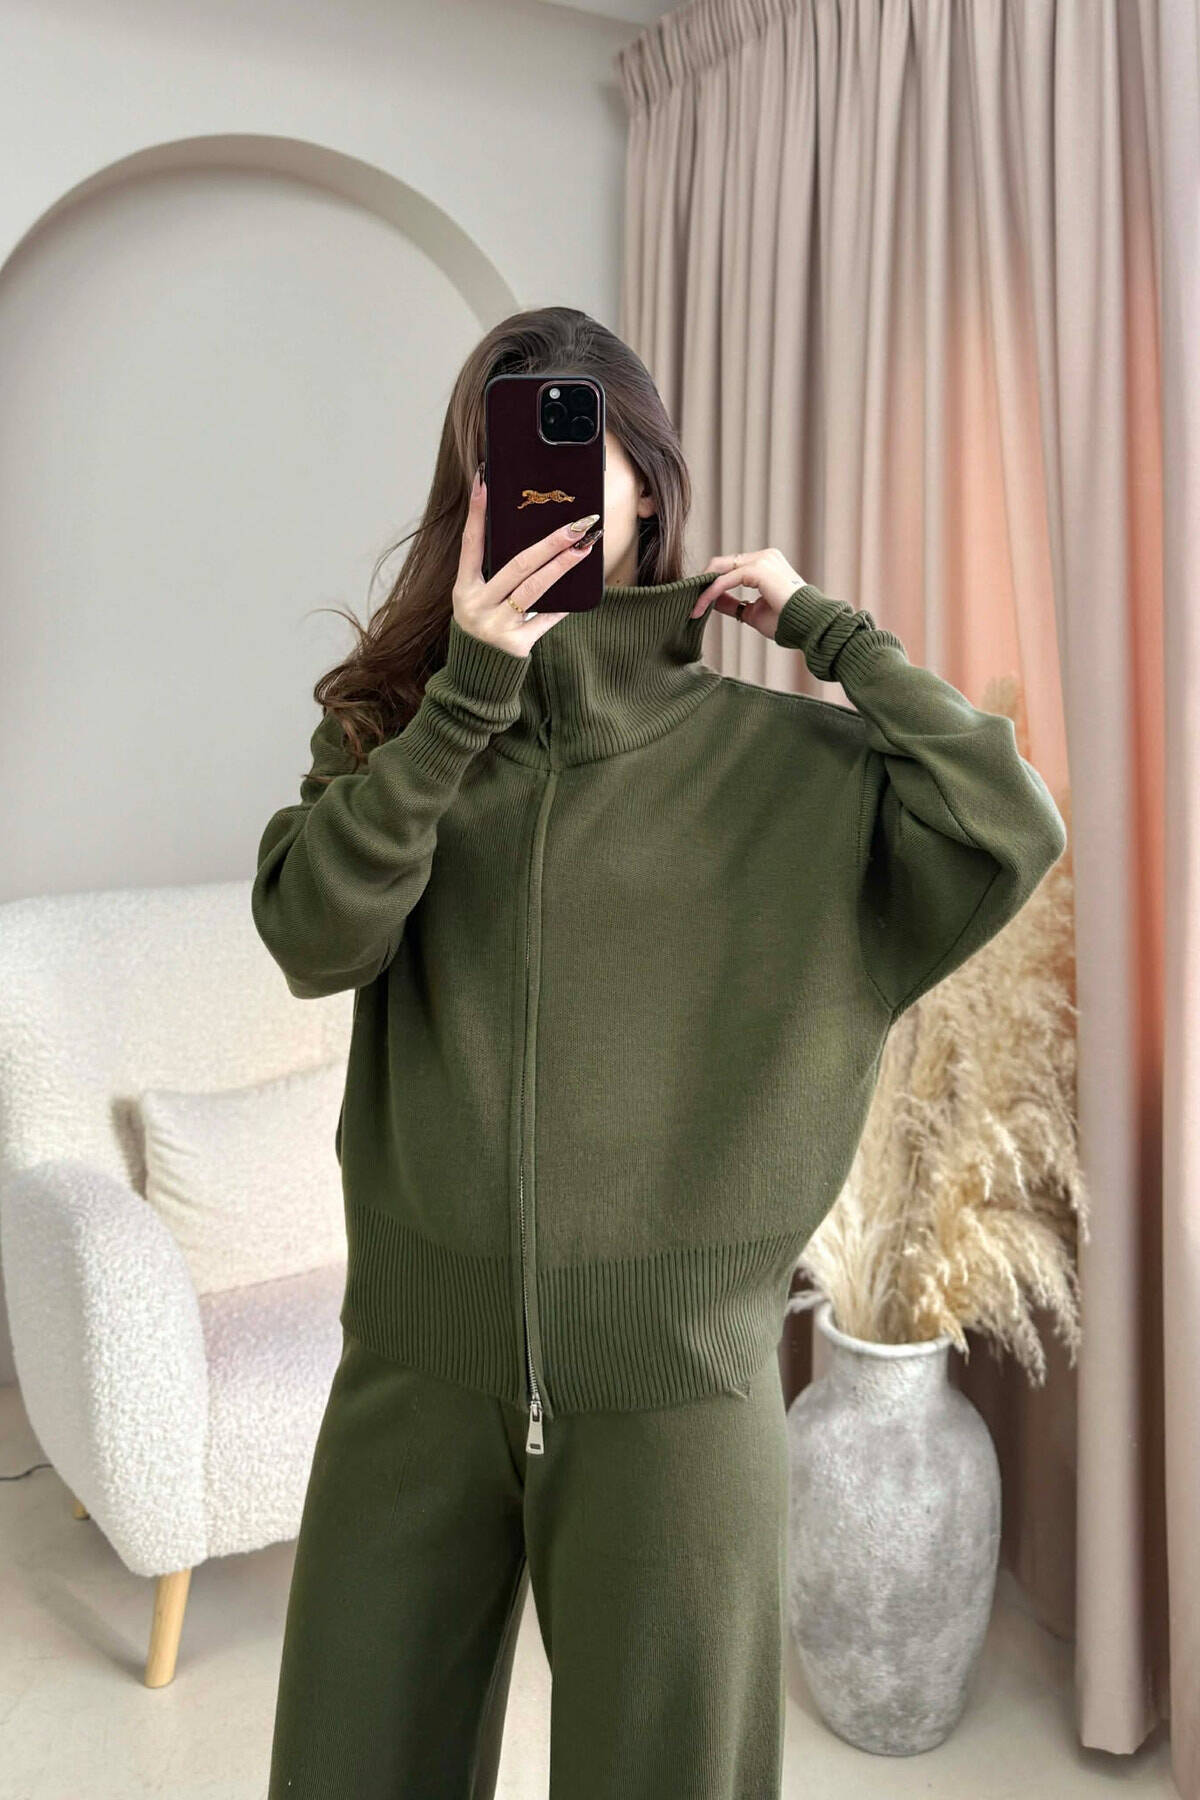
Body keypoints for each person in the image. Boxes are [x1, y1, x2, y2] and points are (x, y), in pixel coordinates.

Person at [252, 306, 1067, 1799]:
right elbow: (314, 935)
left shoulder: (784, 767)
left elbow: (1008, 824)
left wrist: (830, 634)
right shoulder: (396, 737)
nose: (545, 485)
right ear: (469, 496)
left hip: (680, 1402)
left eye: (584, 447)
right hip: (412, 1373)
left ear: (648, 486)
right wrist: (463, 702)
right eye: (507, 453)